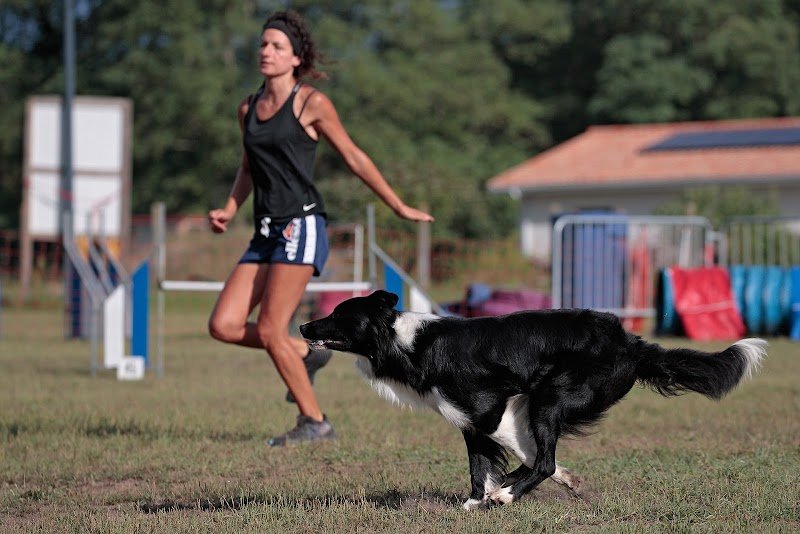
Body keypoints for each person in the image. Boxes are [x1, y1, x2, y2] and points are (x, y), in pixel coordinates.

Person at [207, 10, 434, 447]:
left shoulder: (310, 103)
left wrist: (397, 205)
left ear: (295, 58)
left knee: (271, 329)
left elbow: (354, 157)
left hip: (301, 225)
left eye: (277, 46)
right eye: (263, 44)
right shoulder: (247, 108)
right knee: (224, 324)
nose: (266, 51)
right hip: (264, 231)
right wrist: (230, 208)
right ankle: (305, 352)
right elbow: (248, 167)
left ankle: (314, 422)